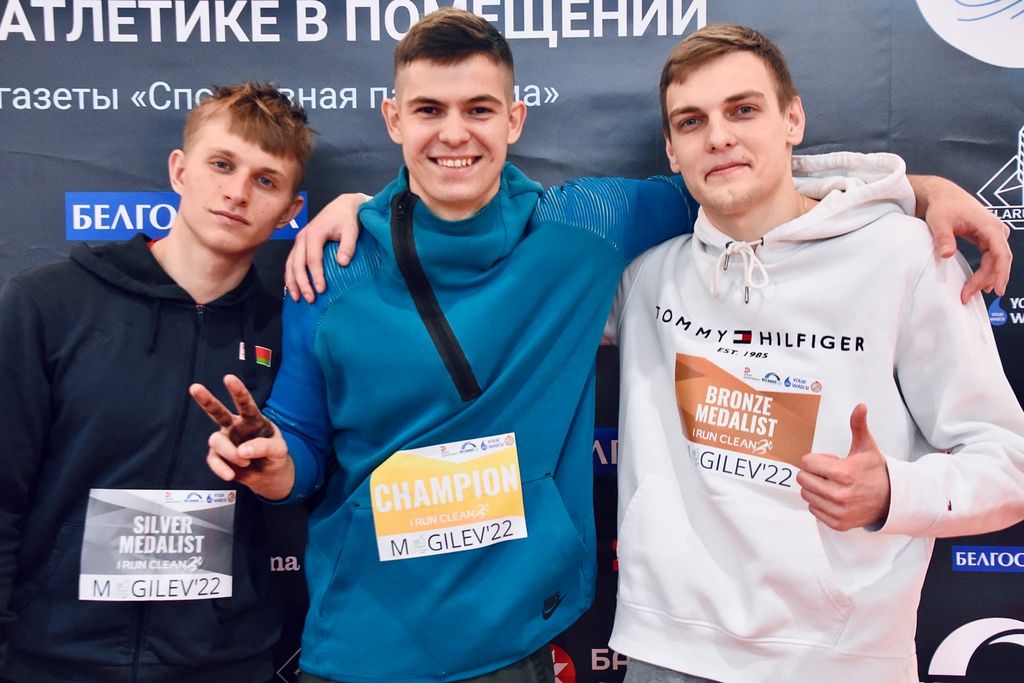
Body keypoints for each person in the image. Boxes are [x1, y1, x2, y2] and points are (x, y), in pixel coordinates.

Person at [193, 9, 1012, 683]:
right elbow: (300, 445)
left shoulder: (585, 232)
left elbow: (743, 183)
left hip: (528, 641)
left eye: (479, 109)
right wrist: (275, 461)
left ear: (515, 118)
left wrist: (911, 188)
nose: (454, 133)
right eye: (429, 110)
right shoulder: (332, 264)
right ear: (394, 119)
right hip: (371, 640)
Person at [603, 24, 1024, 683]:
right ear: (672, 149)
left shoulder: (906, 256)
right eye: (692, 121)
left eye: (744, 110)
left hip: (840, 662)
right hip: (666, 653)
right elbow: (501, 292)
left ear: (793, 119)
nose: (719, 137)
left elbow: (1010, 464)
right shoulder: (647, 278)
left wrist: (896, 492)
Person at [0, 82, 311, 683]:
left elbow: (311, 484)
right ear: (179, 170)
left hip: (223, 663)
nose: (237, 192)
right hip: (55, 659)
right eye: (221, 164)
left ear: (289, 211)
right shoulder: (49, 303)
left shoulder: (288, 334)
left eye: (265, 180)